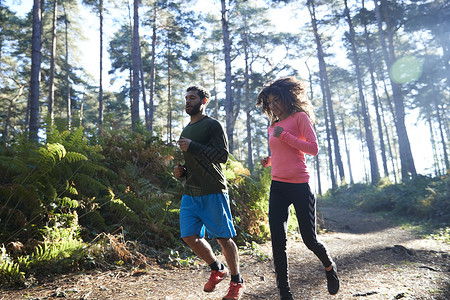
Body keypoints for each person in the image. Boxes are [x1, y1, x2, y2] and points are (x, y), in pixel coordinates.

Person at [257, 77, 340, 299]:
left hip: (300, 186)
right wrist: (271, 160)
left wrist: (284, 136)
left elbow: (313, 149)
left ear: (286, 98)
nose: (273, 105)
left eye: (276, 100)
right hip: (278, 187)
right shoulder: (272, 126)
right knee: (277, 241)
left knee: (309, 239)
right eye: (269, 102)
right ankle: (285, 293)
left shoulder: (299, 118)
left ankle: (329, 268)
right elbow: (284, 153)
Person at [173, 85, 245, 300]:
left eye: (192, 98)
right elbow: (196, 162)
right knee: (188, 236)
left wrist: (193, 146)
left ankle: (236, 281)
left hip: (213, 189)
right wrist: (182, 172)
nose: (188, 101)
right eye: (186, 98)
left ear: (204, 101)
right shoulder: (186, 130)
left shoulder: (213, 125)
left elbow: (222, 156)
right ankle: (217, 268)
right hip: (190, 192)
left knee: (224, 238)